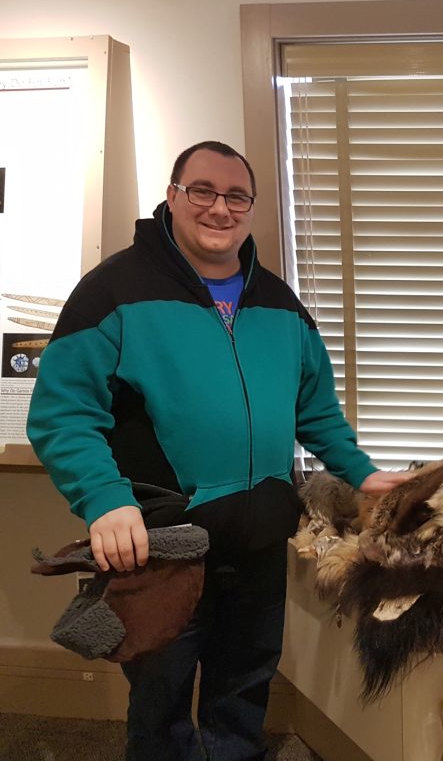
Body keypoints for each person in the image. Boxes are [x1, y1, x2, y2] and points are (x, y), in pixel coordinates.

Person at [27, 140, 411, 760]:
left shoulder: (281, 305)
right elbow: (62, 414)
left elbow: (316, 412)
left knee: (243, 695)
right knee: (161, 708)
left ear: (251, 208)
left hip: (257, 550)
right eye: (202, 191)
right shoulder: (112, 294)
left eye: (236, 196)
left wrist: (362, 474)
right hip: (162, 548)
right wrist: (104, 498)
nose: (219, 208)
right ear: (173, 197)